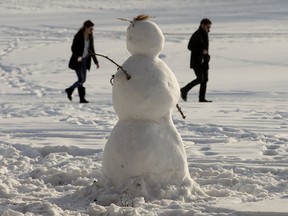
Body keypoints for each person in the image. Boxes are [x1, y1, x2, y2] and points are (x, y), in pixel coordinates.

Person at [65, 20, 99, 103]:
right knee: (81, 79)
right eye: (90, 29)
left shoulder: (90, 36)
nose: (92, 30)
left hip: (85, 60)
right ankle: (71, 91)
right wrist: (78, 56)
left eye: (92, 29)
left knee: (83, 80)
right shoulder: (78, 35)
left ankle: (77, 95)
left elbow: (92, 49)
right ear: (86, 27)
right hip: (77, 61)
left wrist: (96, 61)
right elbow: (73, 48)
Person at [181, 18, 212, 102]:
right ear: (202, 25)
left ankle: (202, 99)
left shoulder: (205, 34)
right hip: (197, 61)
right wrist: (201, 51)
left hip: (204, 61)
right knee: (200, 78)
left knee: (205, 80)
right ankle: (184, 90)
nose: (209, 29)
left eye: (209, 27)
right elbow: (190, 46)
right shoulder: (197, 34)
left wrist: (207, 56)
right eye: (207, 27)